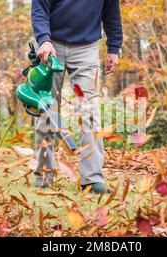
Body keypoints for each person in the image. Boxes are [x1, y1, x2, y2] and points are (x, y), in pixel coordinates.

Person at [31, 0, 123, 193]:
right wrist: (44, 39)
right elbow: (39, 9)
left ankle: (92, 180)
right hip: (51, 45)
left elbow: (111, 12)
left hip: (87, 48)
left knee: (91, 112)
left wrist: (114, 47)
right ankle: (44, 175)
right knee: (47, 110)